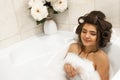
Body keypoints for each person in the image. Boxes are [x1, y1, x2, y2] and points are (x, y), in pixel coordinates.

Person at [64, 11, 112, 80]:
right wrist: (66, 66)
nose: (86, 36)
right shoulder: (73, 47)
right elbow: (62, 71)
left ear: (100, 36)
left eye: (92, 34)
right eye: (84, 31)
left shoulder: (101, 58)